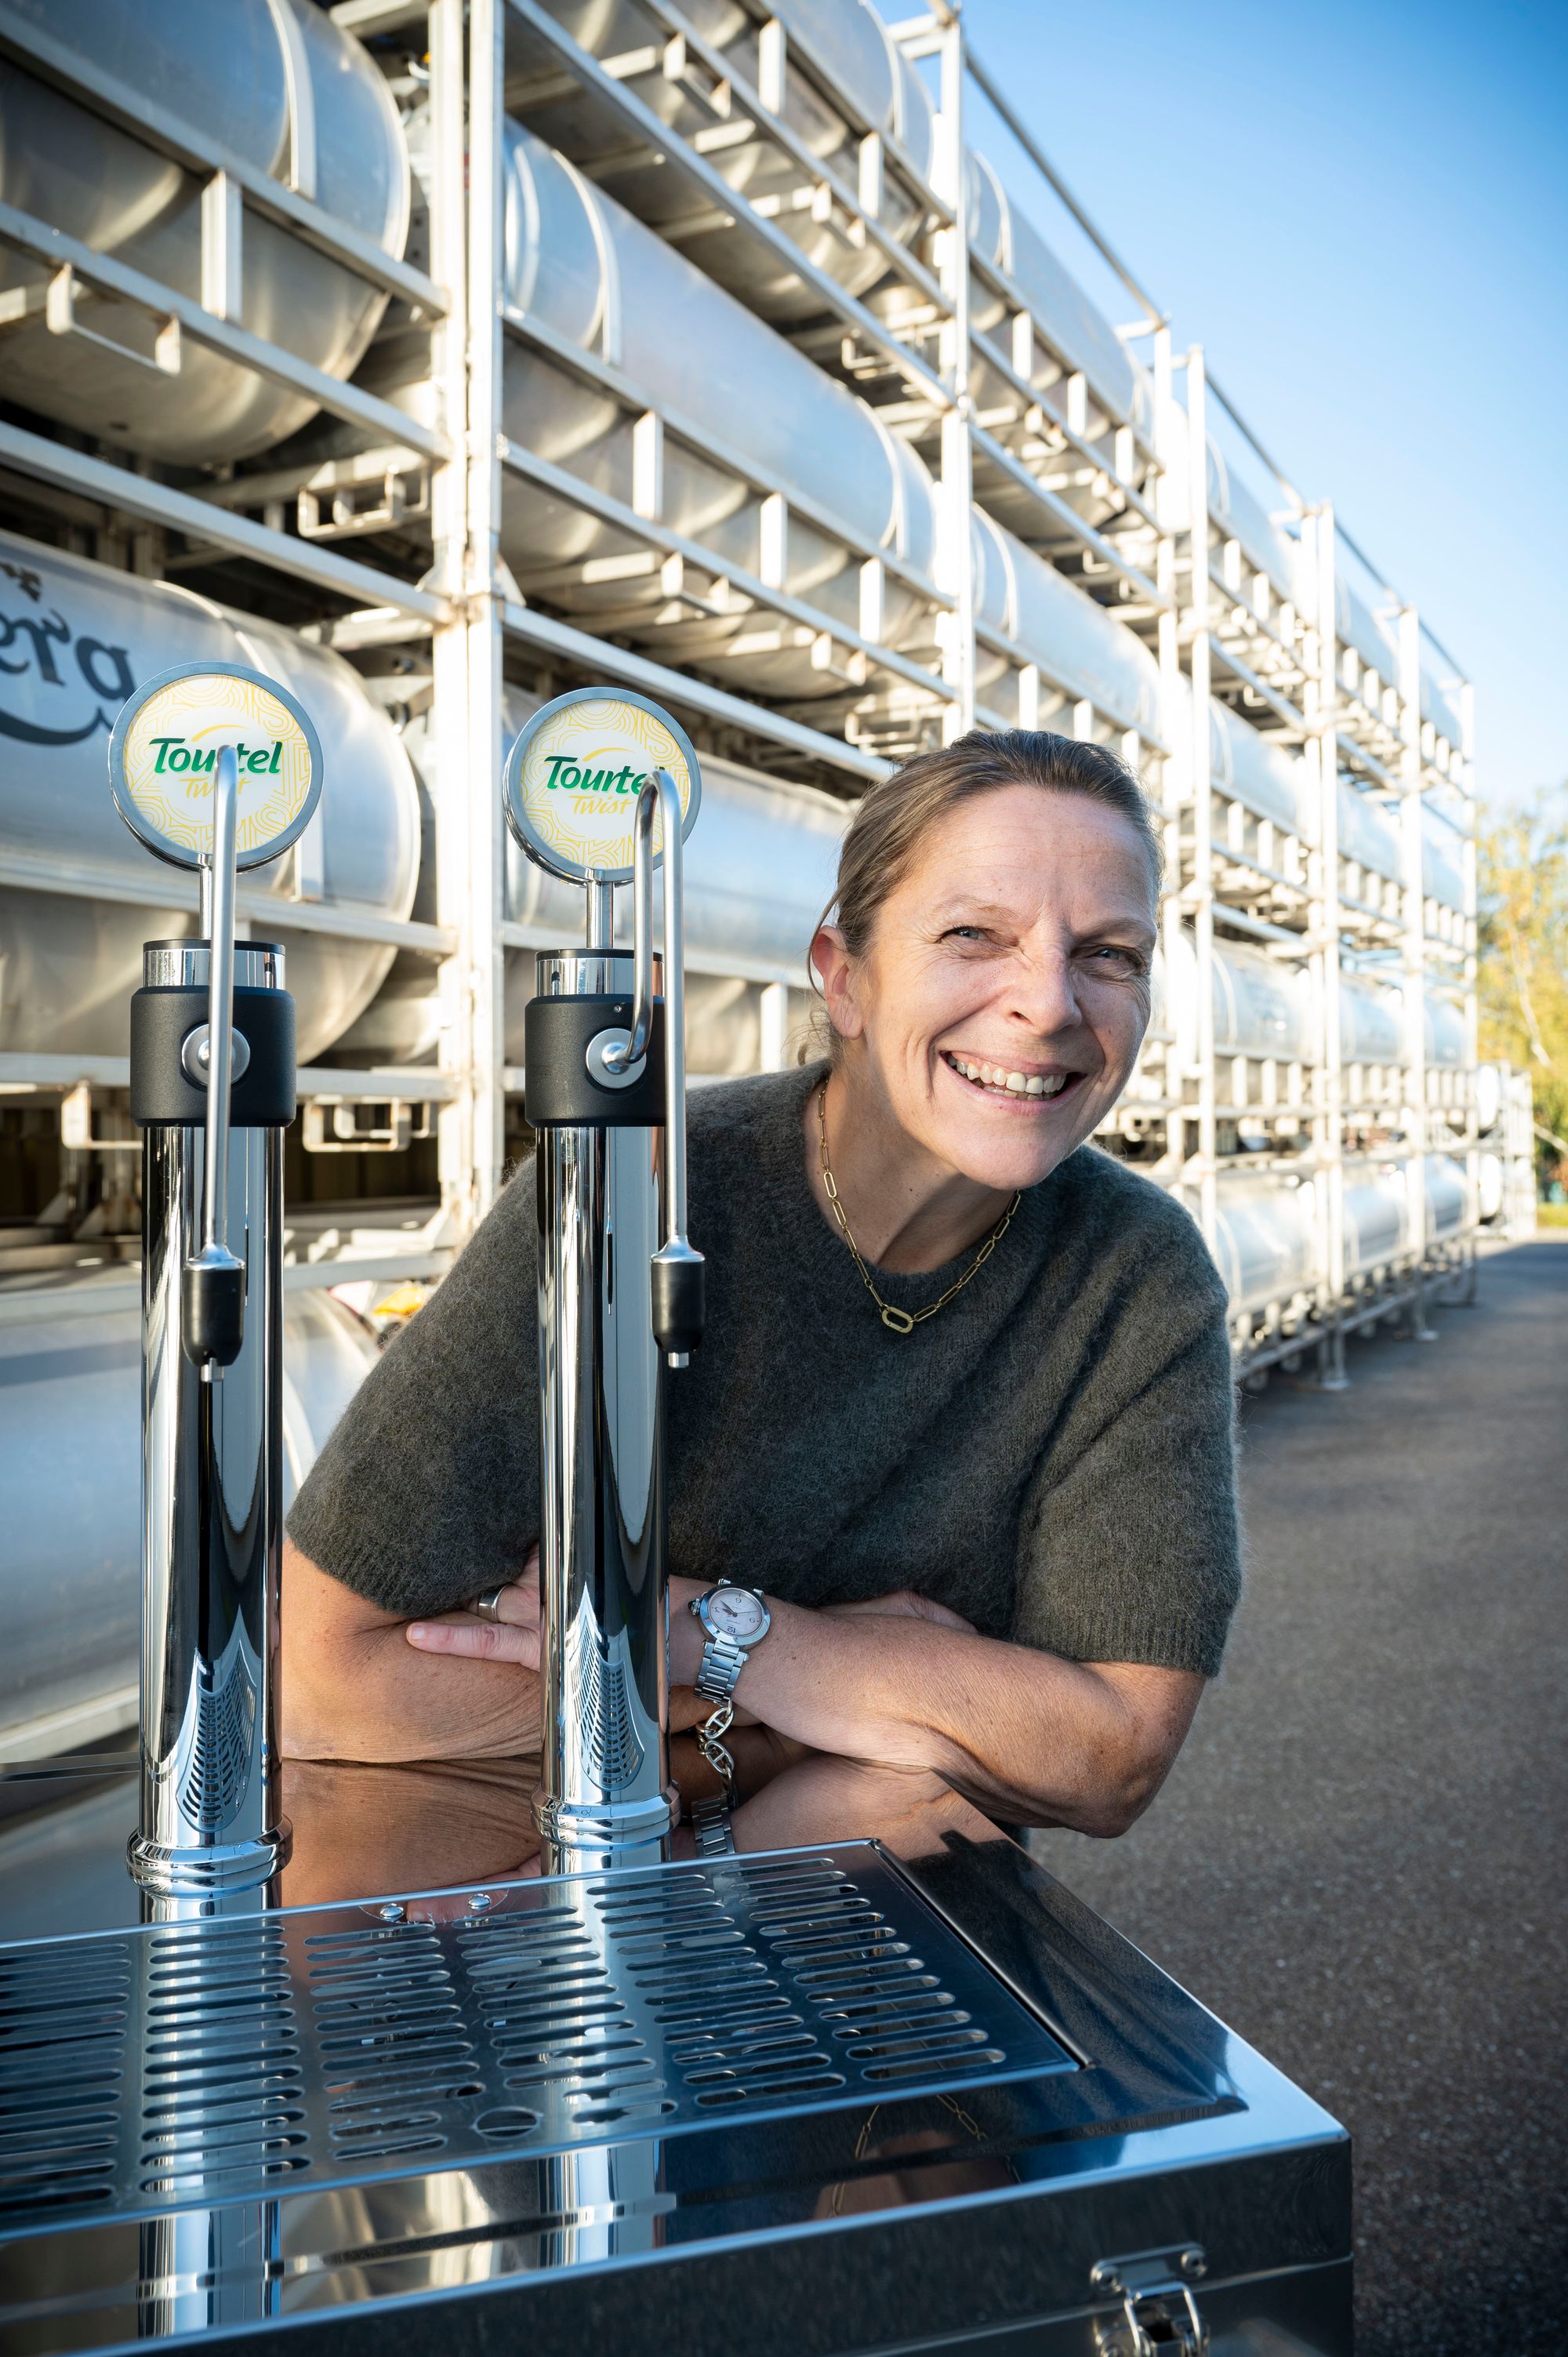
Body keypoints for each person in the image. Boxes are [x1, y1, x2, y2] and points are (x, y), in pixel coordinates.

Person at [283, 729, 1240, 1836]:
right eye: (976, 934)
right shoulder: (636, 1187)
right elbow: (317, 1683)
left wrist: (723, 1634)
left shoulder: (1136, 1273)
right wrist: (833, 1701)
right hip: (514, 1901)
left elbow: (1110, 1755)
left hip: (870, 1925)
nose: (1049, 1002)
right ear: (845, 977)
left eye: (1109, 953)